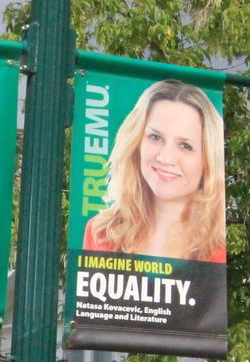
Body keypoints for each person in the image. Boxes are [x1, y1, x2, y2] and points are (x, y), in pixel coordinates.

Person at [84, 79, 226, 263]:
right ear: (136, 143)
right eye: (155, 137)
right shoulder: (102, 232)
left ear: (208, 160)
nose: (165, 158)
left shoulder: (217, 248)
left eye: (185, 145)